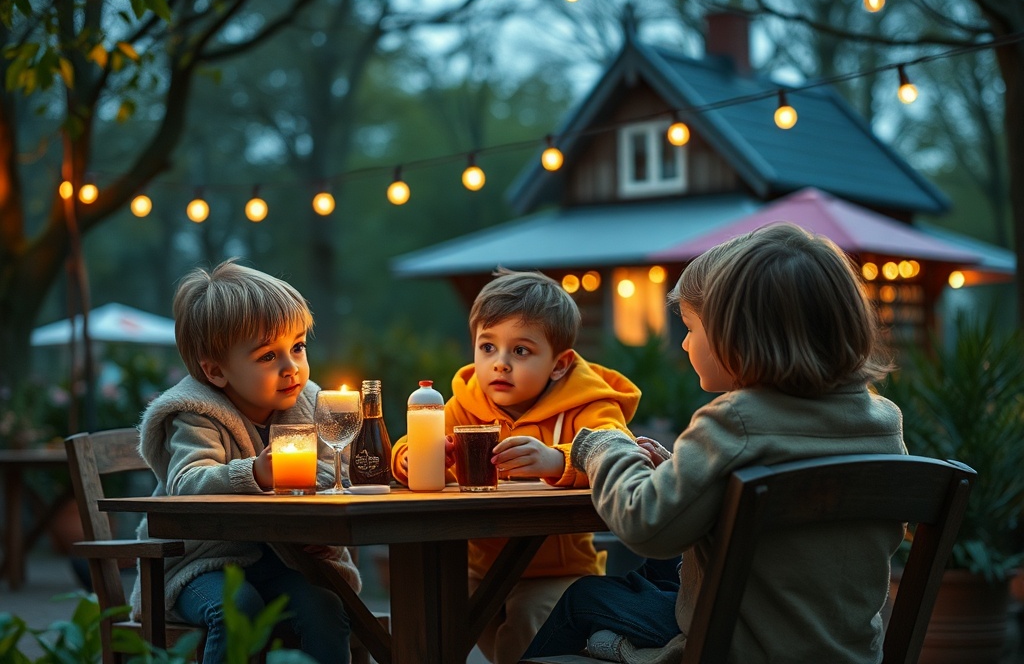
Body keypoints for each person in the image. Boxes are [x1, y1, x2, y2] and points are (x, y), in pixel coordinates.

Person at [524, 222, 907, 664]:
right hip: (850, 652)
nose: (686, 343)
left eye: (691, 327)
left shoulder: (737, 421)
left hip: (743, 647)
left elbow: (644, 524)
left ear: (739, 334)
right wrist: (681, 469)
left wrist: (604, 446)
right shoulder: (882, 422)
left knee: (584, 598)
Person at [390, 268, 642, 664]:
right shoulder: (464, 404)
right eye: (488, 347)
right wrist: (412, 457)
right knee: (427, 608)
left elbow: (620, 452)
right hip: (479, 568)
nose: (500, 364)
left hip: (560, 573)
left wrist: (558, 459)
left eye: (520, 351)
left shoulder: (589, 404)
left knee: (526, 621)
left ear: (559, 364)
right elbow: (415, 440)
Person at [131, 258, 359, 664]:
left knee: (325, 609)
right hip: (199, 564)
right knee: (237, 608)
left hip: (283, 559)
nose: (292, 368)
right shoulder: (196, 413)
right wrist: (254, 472)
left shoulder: (310, 402)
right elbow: (187, 481)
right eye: (268, 356)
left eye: (298, 347)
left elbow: (335, 470)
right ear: (216, 371)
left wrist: (319, 526)